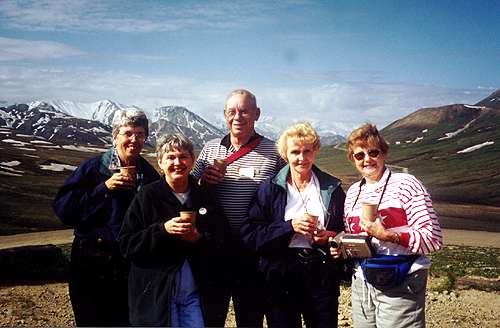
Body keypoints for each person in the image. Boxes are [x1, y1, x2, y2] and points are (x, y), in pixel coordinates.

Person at [52, 110, 160, 326]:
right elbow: (64, 210)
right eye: (127, 133)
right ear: (115, 136)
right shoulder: (94, 168)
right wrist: (104, 188)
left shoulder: (148, 174)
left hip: (131, 268)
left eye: (140, 134)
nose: (134, 140)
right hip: (92, 264)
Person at [331, 123, 443, 328]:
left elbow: (433, 239)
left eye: (373, 152)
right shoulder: (354, 193)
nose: (367, 159)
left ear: (383, 153)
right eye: (359, 155)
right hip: (363, 281)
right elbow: (354, 237)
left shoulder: (407, 184)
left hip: (402, 278)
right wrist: (343, 247)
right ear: (352, 159)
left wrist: (389, 235)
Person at [191, 89, 285, 327]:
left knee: (250, 316)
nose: (238, 117)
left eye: (244, 111)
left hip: (253, 250)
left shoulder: (274, 152)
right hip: (215, 247)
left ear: (257, 114)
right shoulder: (210, 149)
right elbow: (188, 191)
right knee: (211, 314)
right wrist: (203, 183)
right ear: (224, 115)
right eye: (232, 111)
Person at [241, 122, 345, 327]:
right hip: (281, 272)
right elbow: (251, 234)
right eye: (295, 152)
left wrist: (332, 236)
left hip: (321, 271)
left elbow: (346, 229)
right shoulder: (269, 189)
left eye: (307, 151)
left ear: (315, 151)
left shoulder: (331, 187)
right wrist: (289, 227)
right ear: (284, 154)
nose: (301, 158)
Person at [118, 134, 228, 327]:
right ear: (160, 162)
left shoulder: (204, 196)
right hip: (157, 295)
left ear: (193, 161)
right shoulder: (147, 196)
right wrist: (162, 230)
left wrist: (199, 238)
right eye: (170, 157)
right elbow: (127, 244)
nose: (178, 162)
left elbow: (222, 240)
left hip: (196, 295)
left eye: (184, 157)